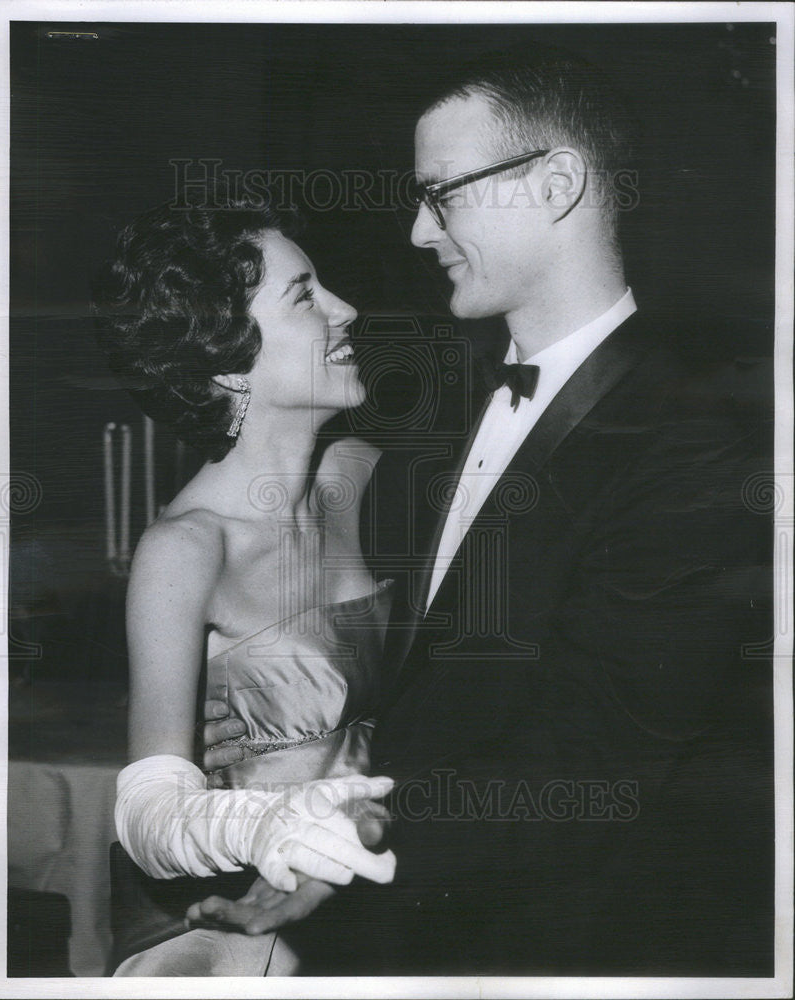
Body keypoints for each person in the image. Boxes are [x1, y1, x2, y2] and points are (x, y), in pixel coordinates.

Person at [202, 43, 773, 975]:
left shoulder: (694, 441)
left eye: (443, 193)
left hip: (561, 943)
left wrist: (376, 830)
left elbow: (597, 751)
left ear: (554, 184)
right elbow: (429, 649)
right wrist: (259, 695)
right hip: (426, 927)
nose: (418, 233)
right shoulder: (453, 396)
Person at [92, 195, 398, 976]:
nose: (347, 309)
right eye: (305, 295)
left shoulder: (364, 476)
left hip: (380, 895)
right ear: (228, 358)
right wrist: (262, 824)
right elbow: (149, 817)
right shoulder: (184, 551)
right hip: (231, 932)